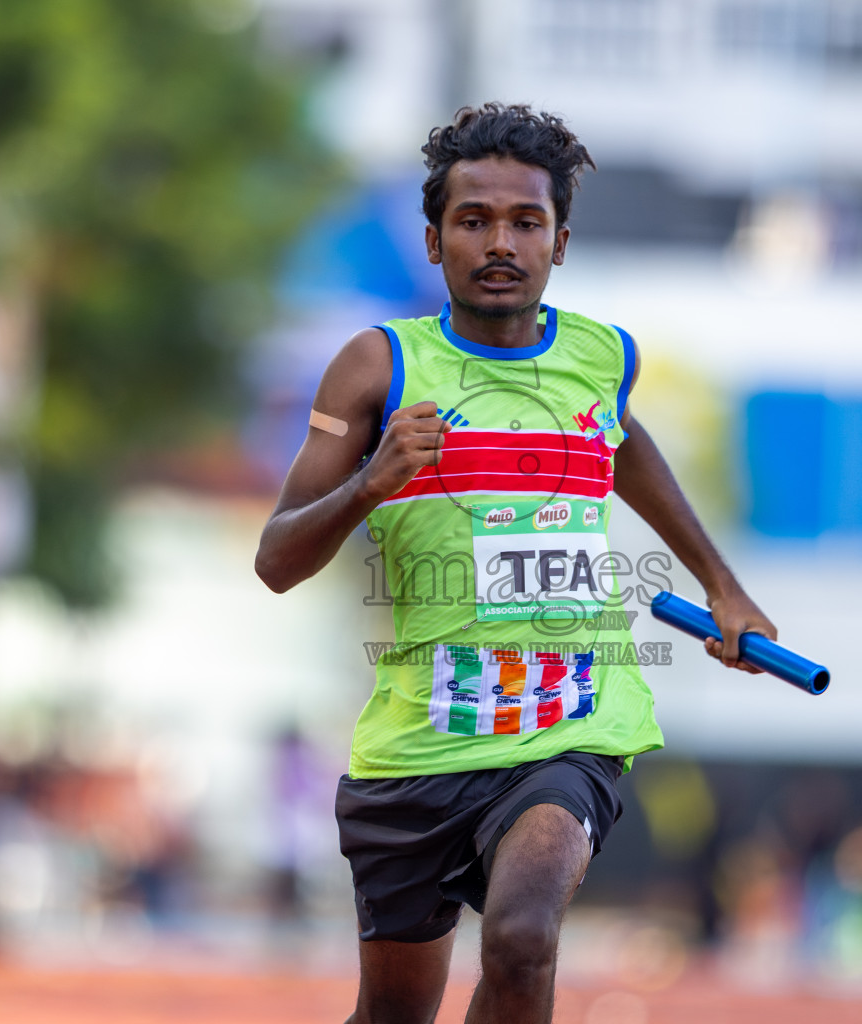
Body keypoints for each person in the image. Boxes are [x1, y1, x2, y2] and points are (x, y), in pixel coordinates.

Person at [254, 102, 779, 1024]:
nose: (501, 242)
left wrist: (723, 588)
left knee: (524, 938)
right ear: (433, 240)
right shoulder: (377, 370)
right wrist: (371, 482)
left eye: (525, 222)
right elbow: (276, 559)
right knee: (393, 1016)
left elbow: (620, 444)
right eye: (474, 220)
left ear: (560, 241)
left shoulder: (601, 359)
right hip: (422, 739)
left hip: (567, 725)